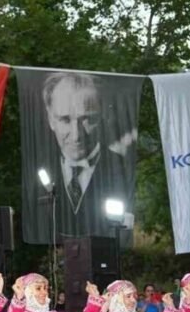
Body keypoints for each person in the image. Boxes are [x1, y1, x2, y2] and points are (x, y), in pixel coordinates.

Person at [38, 71, 135, 239]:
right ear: (50, 119)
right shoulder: (38, 171)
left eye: (87, 120)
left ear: (104, 115)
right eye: (65, 120)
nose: (76, 135)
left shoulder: (121, 167)